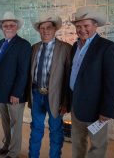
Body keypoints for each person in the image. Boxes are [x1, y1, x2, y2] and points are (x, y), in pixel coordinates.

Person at [69, 6, 114, 158]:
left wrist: (107, 111)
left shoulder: (108, 48)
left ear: (95, 25)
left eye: (86, 25)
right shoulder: (75, 46)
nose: (82, 29)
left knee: (98, 146)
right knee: (77, 142)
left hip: (97, 109)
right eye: (78, 26)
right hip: (76, 105)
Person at [27, 14, 71, 158]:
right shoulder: (34, 48)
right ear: (39, 30)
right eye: (42, 28)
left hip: (56, 97)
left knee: (56, 131)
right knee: (36, 129)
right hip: (37, 94)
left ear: (54, 29)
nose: (45, 31)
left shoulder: (65, 48)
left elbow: (68, 77)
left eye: (48, 28)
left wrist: (66, 102)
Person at [0, 11, 31, 158]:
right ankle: (6, 145)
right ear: (2, 27)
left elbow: (23, 72)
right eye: (5, 25)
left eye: (11, 25)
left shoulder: (23, 45)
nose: (8, 27)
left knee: (16, 124)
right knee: (6, 123)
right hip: (1, 93)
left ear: (17, 27)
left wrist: (17, 92)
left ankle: (13, 152)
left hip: (15, 94)